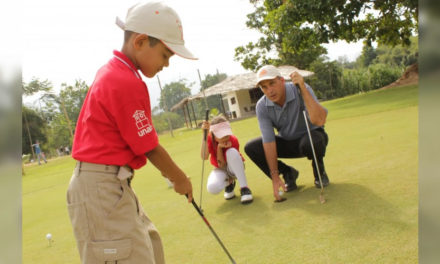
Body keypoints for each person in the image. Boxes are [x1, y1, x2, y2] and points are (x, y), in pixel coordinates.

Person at [67, 2, 196, 264]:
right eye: (165, 55)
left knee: (151, 245)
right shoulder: (123, 80)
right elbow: (148, 146)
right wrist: (180, 178)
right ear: (140, 41)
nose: (166, 64)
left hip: (111, 185)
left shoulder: (119, 72)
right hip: (100, 188)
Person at [244, 65, 330, 202]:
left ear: (282, 81)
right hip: (288, 142)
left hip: (311, 137)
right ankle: (288, 173)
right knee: (251, 147)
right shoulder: (262, 106)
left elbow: (319, 120)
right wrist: (274, 176)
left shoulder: (301, 88)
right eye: (264, 87)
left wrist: (303, 90)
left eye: (272, 83)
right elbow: (269, 141)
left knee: (312, 141)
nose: (269, 90)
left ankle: (319, 170)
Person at [201, 115, 253, 204]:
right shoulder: (209, 139)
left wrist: (220, 147)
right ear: (212, 134)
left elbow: (227, 163)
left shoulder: (233, 139)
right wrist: (205, 136)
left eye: (226, 133)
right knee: (212, 188)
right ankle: (229, 184)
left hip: (234, 168)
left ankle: (244, 188)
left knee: (231, 151)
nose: (225, 137)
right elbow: (204, 157)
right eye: (221, 135)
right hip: (220, 168)